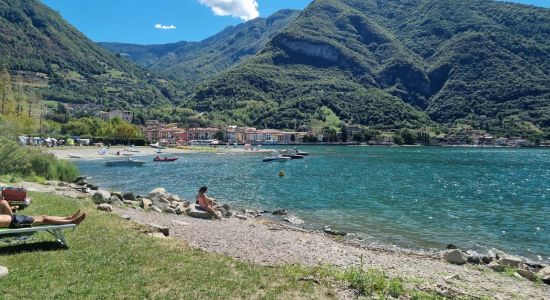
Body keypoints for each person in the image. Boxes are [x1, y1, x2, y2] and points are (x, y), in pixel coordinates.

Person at [0, 198, 86, 229]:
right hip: (16, 223)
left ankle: (68, 218)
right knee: (44, 220)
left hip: (16, 218)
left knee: (43, 216)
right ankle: (73, 221)